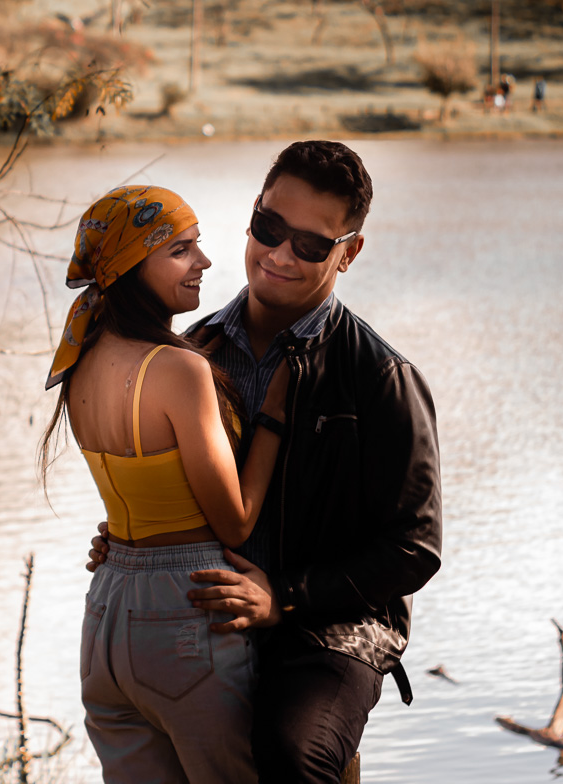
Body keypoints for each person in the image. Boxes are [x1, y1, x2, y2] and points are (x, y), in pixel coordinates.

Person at [88, 141, 443, 783]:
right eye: (269, 228)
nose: (278, 254)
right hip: (203, 609)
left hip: (331, 629)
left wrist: (283, 597)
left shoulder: (380, 377)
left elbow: (415, 549)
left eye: (310, 245)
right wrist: (128, 535)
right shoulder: (191, 352)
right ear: (253, 213)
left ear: (348, 252)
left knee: (291, 753)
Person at [41, 185, 290, 783]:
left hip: (106, 611)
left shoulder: (80, 363)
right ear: (132, 266)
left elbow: (139, 492)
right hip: (185, 609)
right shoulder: (179, 369)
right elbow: (234, 521)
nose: (203, 261)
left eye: (198, 245)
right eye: (180, 249)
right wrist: (276, 416)